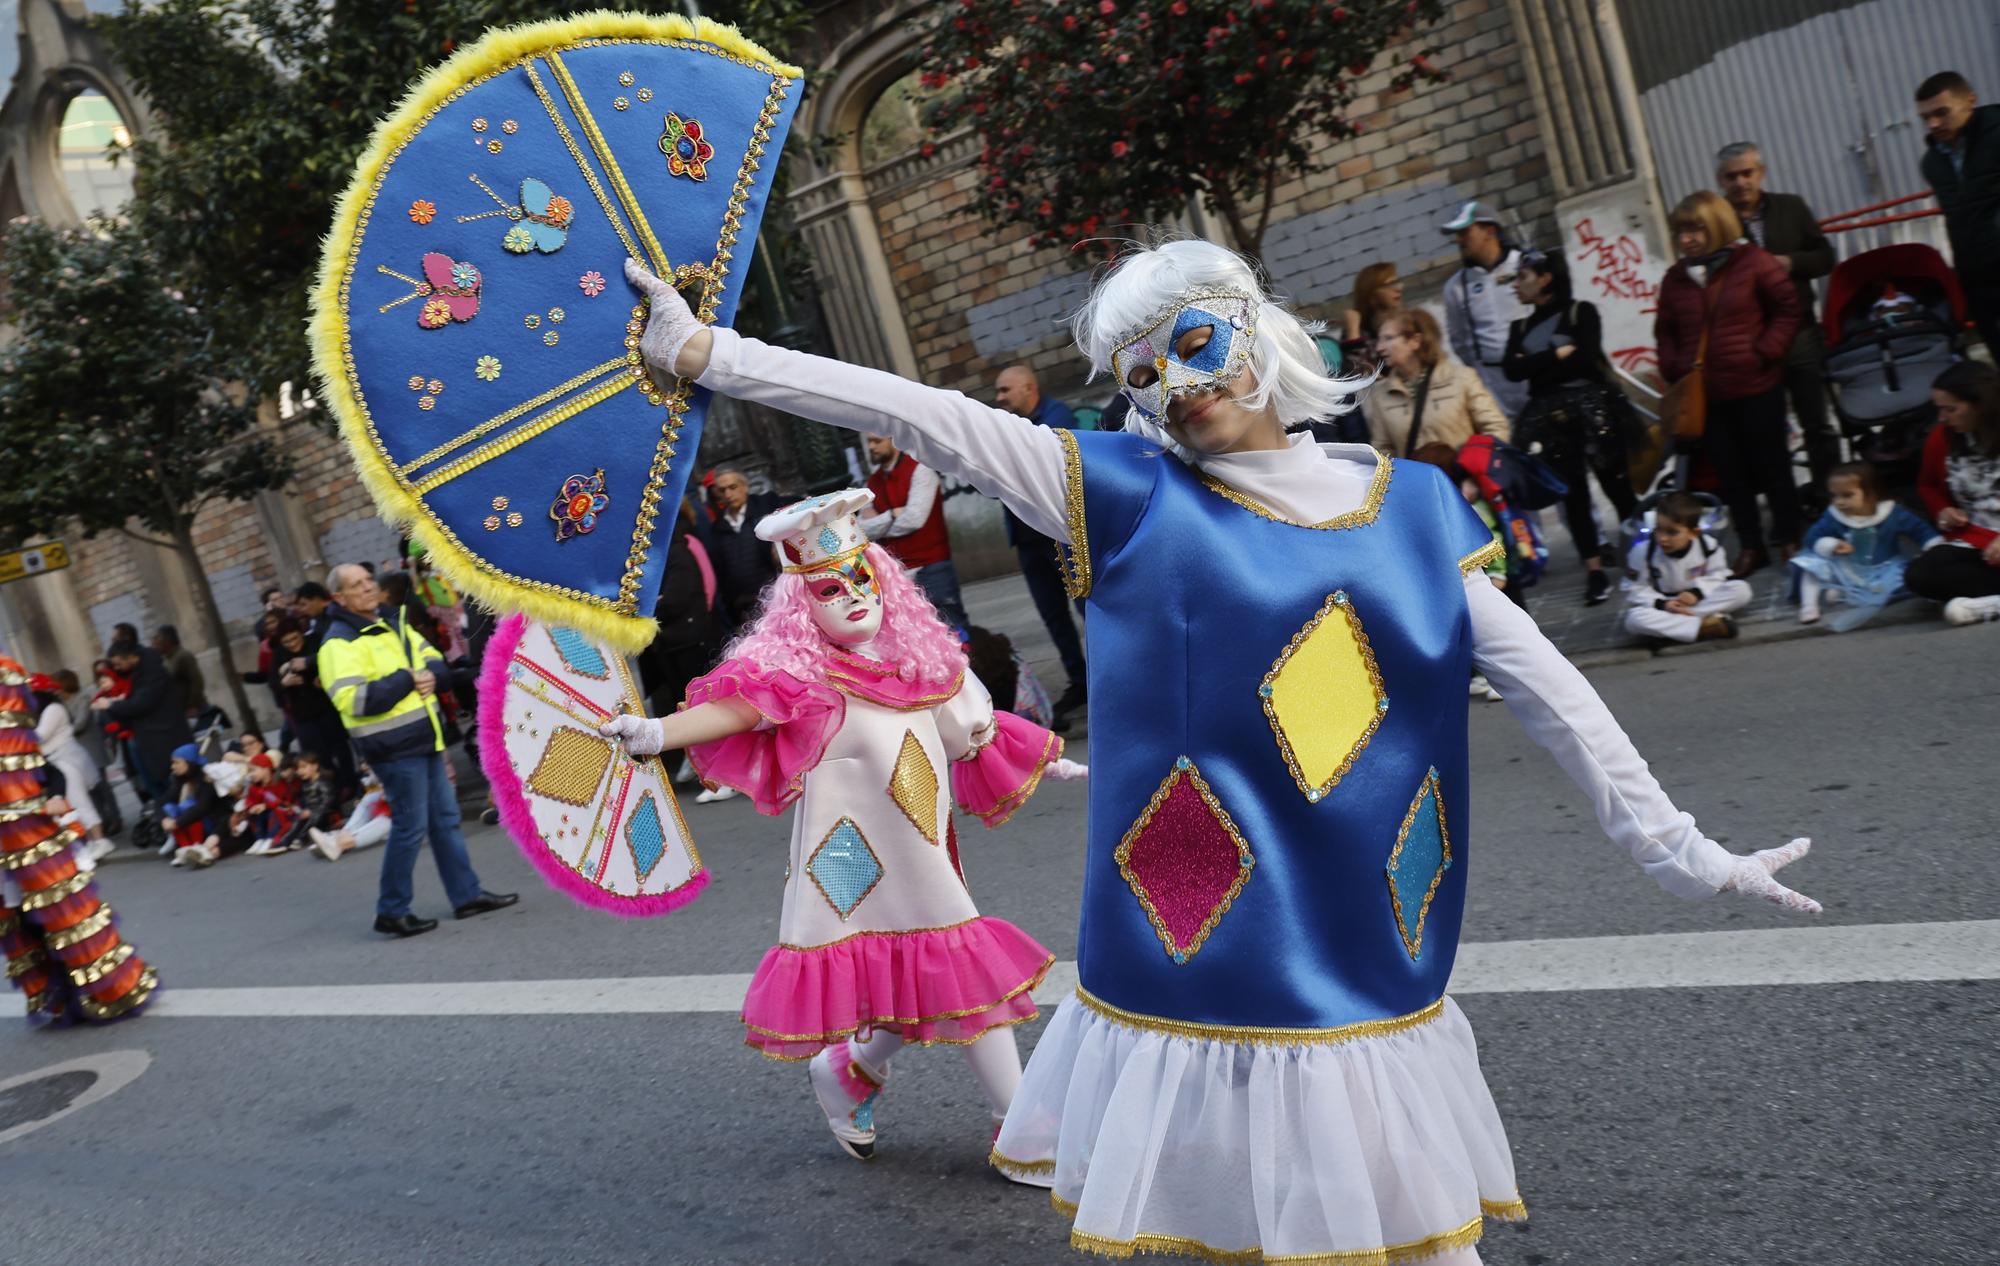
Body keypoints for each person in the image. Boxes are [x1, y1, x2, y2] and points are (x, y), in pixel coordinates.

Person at [622, 240, 1820, 1264]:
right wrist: (706, 356)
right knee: (1266, 1209)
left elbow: (1546, 686)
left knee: (1408, 1215)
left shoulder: (1408, 509)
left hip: (1368, 928)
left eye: (1194, 344)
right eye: (1142, 374)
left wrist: (1680, 852)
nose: (1175, 385)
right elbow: (911, 409)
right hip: (1204, 930)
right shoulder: (1128, 494)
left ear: (1261, 336)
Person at [599, 490, 1079, 1163]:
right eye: (830, 587)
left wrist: (1054, 763)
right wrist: (655, 731)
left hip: (926, 853)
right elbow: (739, 710)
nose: (854, 596)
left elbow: (976, 731)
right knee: (953, 968)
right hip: (850, 864)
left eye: (863, 579)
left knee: (921, 974)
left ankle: (852, 1068)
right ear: (802, 605)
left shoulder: (920, 667)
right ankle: (1021, 1128)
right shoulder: (803, 679)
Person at [317, 563, 517, 937]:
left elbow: (437, 664)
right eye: (356, 585)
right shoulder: (337, 643)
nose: (367, 588)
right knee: (410, 828)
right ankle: (391, 910)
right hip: (392, 750)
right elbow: (353, 700)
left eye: (368, 580)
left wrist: (427, 675)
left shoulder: (392, 623)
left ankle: (466, 895)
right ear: (339, 598)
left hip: (425, 740)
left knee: (444, 821)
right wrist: (407, 679)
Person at [0, 655, 159, 1025]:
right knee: (22, 925)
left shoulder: (13, 726)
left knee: (65, 918)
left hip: (31, 839)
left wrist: (51, 797)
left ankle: (105, 992)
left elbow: (42, 766)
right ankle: (58, 998)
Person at [1655, 190, 1804, 579]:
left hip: (1756, 385)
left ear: (1717, 226)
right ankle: (1752, 545)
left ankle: (1791, 538)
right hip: (1707, 396)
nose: (1687, 239)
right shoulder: (1676, 278)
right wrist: (1673, 367)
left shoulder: (1753, 262)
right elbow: (1666, 330)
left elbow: (1788, 308)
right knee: (1730, 475)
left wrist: (1765, 351)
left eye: (1696, 229)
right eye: (1681, 231)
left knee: (1774, 468)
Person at [1502, 249, 1639, 605]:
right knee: (1573, 494)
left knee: (1618, 487)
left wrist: (1536, 364)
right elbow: (1512, 371)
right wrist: (1556, 355)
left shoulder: (1582, 311)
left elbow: (1586, 356)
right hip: (1550, 422)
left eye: (1523, 277)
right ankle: (1594, 570)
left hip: (1595, 414)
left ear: (1546, 278)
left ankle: (1640, 556)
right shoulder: (1519, 326)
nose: (1516, 285)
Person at [1715, 142, 1841, 493]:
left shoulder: (1791, 207)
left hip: (1798, 332)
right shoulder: (1716, 222)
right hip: (1749, 342)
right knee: (1766, 434)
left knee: (1816, 423)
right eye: (1731, 177)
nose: (1740, 182)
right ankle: (1787, 507)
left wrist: (1791, 263)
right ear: (1720, 181)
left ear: (1761, 172)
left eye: (1747, 173)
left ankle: (1832, 497)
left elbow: (1825, 257)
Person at [993, 364, 1088, 721]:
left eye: (1005, 390)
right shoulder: (1009, 427)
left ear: (1028, 388)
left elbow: (1060, 465)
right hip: (1028, 540)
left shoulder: (1057, 416)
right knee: (1054, 618)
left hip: (1059, 535)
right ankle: (1079, 681)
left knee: (1085, 610)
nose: (999, 398)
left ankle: (1105, 678)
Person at [1789, 462, 1940, 629]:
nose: (1839, 502)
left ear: (1870, 494)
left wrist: (1933, 545)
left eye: (1847, 495)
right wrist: (1831, 544)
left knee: (1909, 579)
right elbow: (1812, 537)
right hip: (1848, 568)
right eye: (1834, 495)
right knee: (1810, 564)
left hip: (1885, 569)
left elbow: (1919, 530)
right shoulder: (1833, 515)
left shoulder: (1892, 513)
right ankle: (1809, 605)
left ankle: (1843, 593)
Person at [1908, 361, 2000, 624]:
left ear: (1981, 405)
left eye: (1951, 409)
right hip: (1980, 540)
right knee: (1921, 574)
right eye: (1939, 410)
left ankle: (1988, 604)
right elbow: (1927, 485)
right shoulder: (1943, 437)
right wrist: (1943, 511)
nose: (1943, 418)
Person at [1916, 72, 2000, 354]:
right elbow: (1958, 220)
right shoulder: (1932, 162)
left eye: (1941, 113)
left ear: (1970, 101)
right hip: (1979, 280)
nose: (1933, 124)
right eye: (1925, 118)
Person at [1362, 307, 1511, 454]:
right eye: (1379, 339)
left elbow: (1496, 427)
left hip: (1464, 475)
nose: (1379, 347)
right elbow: (1383, 449)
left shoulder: (1461, 378)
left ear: (1415, 341)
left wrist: (1475, 469)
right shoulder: (1380, 394)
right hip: (1418, 478)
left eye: (1388, 338)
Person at [862, 433, 970, 630]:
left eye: (877, 441)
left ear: (895, 440)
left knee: (953, 628)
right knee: (917, 634)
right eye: (869, 441)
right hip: (896, 572)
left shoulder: (920, 470)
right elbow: (862, 529)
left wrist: (879, 522)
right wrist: (892, 515)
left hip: (931, 566)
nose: (871, 447)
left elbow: (914, 520)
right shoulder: (871, 484)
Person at [1440, 201, 1532, 417]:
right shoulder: (1456, 287)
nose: (1458, 240)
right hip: (1494, 385)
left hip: (1537, 372)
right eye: (1456, 234)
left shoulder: (1526, 266)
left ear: (1490, 230)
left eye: (1465, 232)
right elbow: (1460, 341)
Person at [1621, 493, 1750, 643]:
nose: (1662, 538)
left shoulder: (1707, 545)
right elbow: (1634, 587)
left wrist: (1697, 593)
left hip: (1698, 601)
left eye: (1672, 532)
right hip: (1664, 603)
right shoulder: (1642, 552)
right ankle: (1705, 624)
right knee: (1634, 619)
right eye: (1658, 529)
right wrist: (1663, 604)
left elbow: (1719, 574)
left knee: (1741, 589)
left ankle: (1684, 624)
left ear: (1693, 533)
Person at [92, 637, 193, 810]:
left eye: (118, 664)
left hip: (165, 738)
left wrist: (111, 704)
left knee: (178, 787)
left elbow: (142, 703)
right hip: (153, 738)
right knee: (163, 786)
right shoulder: (139, 672)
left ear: (131, 657)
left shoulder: (151, 673)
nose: (116, 669)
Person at [29, 674, 113, 859]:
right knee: (74, 803)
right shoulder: (47, 710)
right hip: (60, 759)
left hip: (66, 759)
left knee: (79, 801)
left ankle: (99, 840)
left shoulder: (53, 709)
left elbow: (39, 736)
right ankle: (92, 841)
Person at [706, 466, 783, 626]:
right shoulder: (718, 527)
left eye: (733, 487)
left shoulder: (766, 507)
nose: (728, 494)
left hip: (777, 596)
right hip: (747, 607)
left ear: (744, 486)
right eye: (722, 490)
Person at [54, 668, 122, 835]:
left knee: (102, 786)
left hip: (91, 748)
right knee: (88, 789)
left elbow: (81, 722)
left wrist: (61, 729)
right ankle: (101, 820)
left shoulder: (82, 697)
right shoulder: (61, 703)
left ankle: (115, 818)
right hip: (76, 751)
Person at [153, 624, 227, 733]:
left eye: (157, 638)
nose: (154, 643)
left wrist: (193, 706)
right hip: (181, 713)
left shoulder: (183, 656)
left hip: (195, 711)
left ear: (167, 640)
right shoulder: (166, 660)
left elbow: (197, 681)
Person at [1339, 261, 1403, 364]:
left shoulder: (1405, 320)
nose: (1398, 289)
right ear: (1371, 293)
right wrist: (1353, 332)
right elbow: (1358, 372)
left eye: (1397, 282)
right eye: (1390, 284)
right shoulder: (1359, 329)